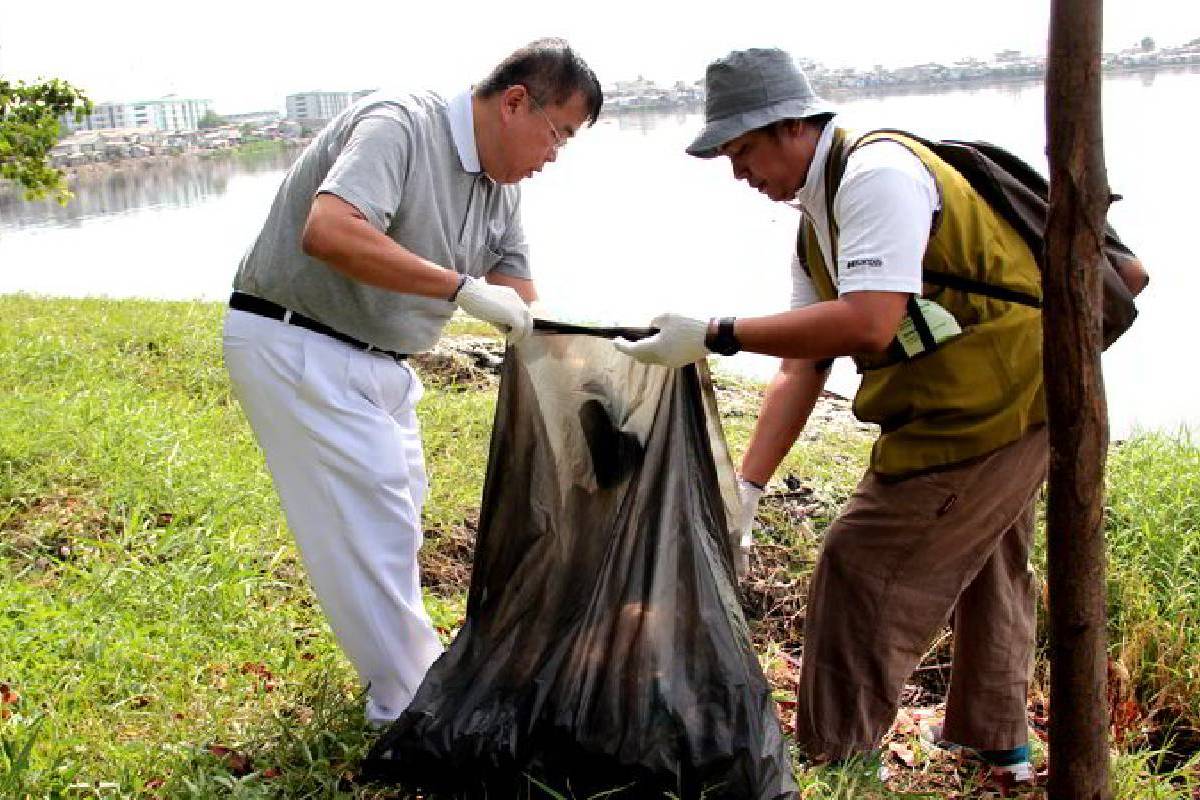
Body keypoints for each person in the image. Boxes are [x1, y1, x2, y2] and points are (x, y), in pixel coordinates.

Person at [614, 47, 1147, 781]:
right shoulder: (818, 216)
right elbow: (804, 362)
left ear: (793, 126)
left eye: (743, 151)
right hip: (974, 401)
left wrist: (716, 332)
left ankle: (838, 760)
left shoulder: (877, 177)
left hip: (996, 404)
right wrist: (748, 488)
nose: (741, 174)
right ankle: (994, 749)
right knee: (991, 562)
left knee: (860, 563)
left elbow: (867, 322)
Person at [223, 38, 603, 727]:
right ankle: (411, 707)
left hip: (383, 360)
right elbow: (330, 230)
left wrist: (605, 379)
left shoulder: (499, 190)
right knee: (367, 524)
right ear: (516, 101)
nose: (554, 156)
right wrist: (461, 289)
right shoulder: (401, 122)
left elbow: (523, 307)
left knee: (396, 520)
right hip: (298, 337)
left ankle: (399, 683)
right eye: (558, 135)